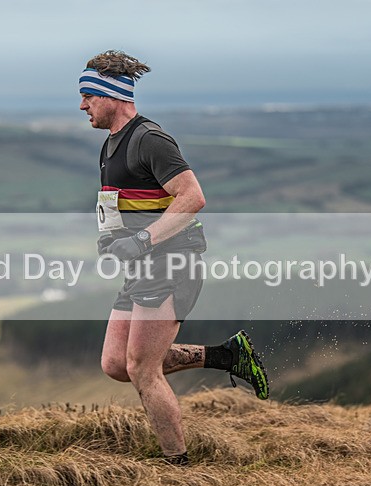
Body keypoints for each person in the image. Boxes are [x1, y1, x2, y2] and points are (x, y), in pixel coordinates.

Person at [79, 50, 269, 465]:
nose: (82, 105)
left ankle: (177, 465)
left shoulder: (150, 139)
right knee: (116, 363)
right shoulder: (111, 145)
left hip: (171, 263)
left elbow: (192, 196)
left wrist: (141, 240)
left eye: (88, 96)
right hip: (143, 266)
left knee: (142, 369)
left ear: (111, 95)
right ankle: (226, 356)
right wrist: (112, 239)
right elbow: (125, 204)